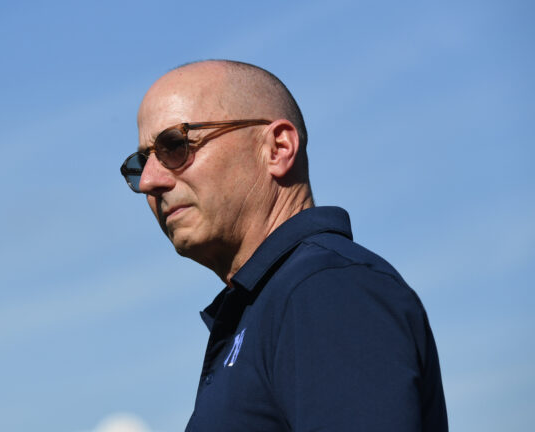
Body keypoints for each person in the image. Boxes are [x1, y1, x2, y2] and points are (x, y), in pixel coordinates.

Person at [120, 60, 448, 431]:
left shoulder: (325, 290)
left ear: (278, 148)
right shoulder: (276, 302)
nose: (148, 181)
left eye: (175, 146)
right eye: (141, 162)